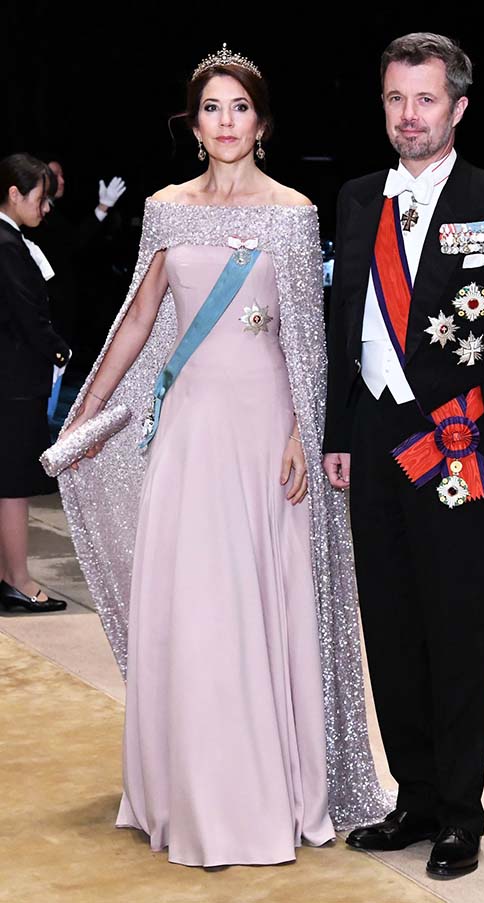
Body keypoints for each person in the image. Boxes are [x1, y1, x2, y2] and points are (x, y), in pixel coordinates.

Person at [57, 45, 386, 868]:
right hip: (191, 437)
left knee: (253, 611)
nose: (227, 122)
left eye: (240, 107)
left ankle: (263, 791)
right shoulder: (167, 207)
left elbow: (308, 344)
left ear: (263, 123)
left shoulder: (293, 212)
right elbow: (138, 319)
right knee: (194, 614)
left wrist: (300, 436)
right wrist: (86, 412)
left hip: (261, 439)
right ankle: (186, 788)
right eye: (212, 108)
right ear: (193, 123)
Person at [323, 32, 484, 879]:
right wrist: (336, 434)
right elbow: (340, 330)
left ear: (458, 107)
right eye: (395, 98)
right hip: (376, 449)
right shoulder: (356, 201)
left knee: (458, 628)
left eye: (424, 99)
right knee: (389, 625)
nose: (408, 115)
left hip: (459, 449)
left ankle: (462, 812)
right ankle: (414, 796)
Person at [0, 153, 71, 613]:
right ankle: (21, 580)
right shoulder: (6, 244)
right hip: (14, 381)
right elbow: (28, 312)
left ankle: (8, 575)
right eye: (40, 199)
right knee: (12, 484)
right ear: (14, 194)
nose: (46, 208)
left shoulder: (10, 238)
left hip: (11, 378)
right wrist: (60, 351)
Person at [25, 159, 127, 348]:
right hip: (44, 310)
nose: (61, 181)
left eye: (62, 175)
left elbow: (73, 242)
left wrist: (103, 207)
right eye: (55, 175)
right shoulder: (31, 221)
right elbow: (70, 243)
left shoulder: (54, 214)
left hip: (60, 309)